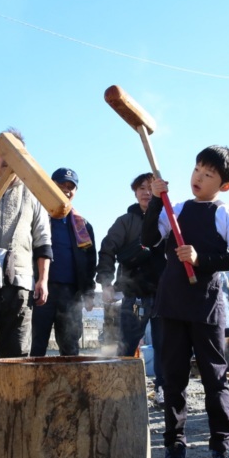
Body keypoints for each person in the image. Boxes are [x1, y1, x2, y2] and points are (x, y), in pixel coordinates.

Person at [141, 146, 229, 458]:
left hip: (207, 304)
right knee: (173, 378)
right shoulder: (174, 209)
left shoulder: (227, 214)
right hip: (172, 302)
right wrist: (158, 200)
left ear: (225, 185)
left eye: (209, 174)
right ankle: (174, 446)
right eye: (197, 169)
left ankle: (221, 445)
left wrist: (201, 259)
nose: (198, 177)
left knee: (215, 377)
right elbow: (148, 239)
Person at [0, 129, 52, 358]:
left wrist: (43, 279)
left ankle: (13, 396)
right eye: (5, 153)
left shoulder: (33, 193)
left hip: (20, 283)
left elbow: (43, 240)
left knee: (16, 355)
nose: (11, 161)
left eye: (18, 154)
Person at [96, 172, 167, 405]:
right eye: (141, 188)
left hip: (164, 295)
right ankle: (121, 389)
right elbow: (107, 249)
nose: (147, 192)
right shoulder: (125, 221)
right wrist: (106, 283)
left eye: (150, 187)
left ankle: (163, 391)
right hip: (135, 294)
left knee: (165, 343)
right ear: (135, 193)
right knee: (128, 342)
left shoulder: (167, 217)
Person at [30, 168, 96, 357]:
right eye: (61, 185)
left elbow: (90, 261)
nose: (66, 190)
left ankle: (70, 386)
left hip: (71, 293)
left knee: (70, 346)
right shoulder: (37, 216)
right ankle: (35, 385)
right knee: (37, 343)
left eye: (70, 187)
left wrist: (89, 292)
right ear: (50, 186)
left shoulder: (83, 225)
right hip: (40, 290)